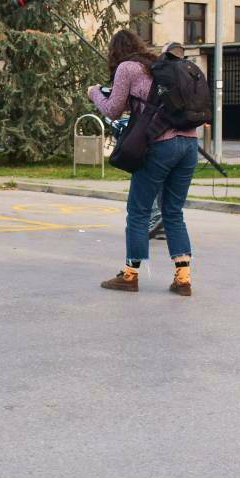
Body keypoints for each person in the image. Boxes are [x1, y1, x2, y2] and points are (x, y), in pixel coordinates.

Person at [89, 30, 201, 296]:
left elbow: (112, 109)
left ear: (114, 51)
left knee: (138, 211)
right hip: (189, 144)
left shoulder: (127, 68)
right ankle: (183, 278)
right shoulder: (159, 66)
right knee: (173, 212)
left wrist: (94, 93)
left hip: (161, 145)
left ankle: (129, 275)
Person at [146, 40, 186, 242]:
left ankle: (155, 218)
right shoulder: (190, 73)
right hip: (187, 141)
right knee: (171, 188)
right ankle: (166, 226)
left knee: (152, 179)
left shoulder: (163, 75)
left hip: (163, 138)